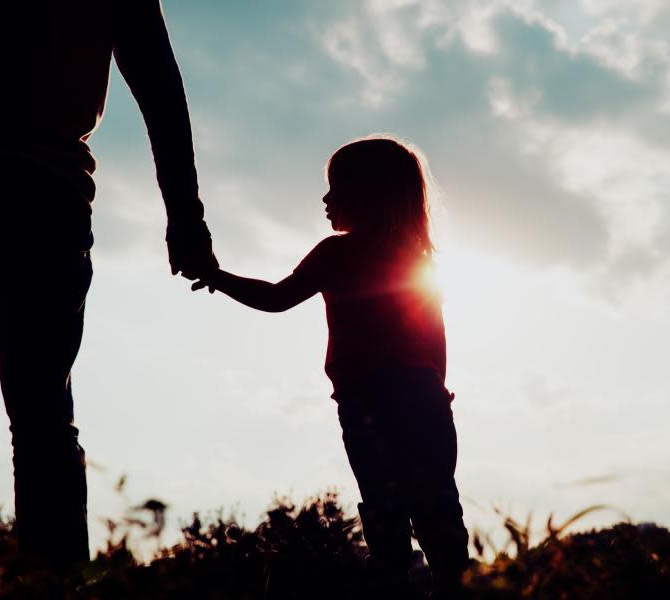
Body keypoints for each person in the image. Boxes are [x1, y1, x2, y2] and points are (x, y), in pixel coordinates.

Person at [0, 1, 216, 567]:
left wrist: (187, 215)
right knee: (42, 411)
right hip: (44, 185)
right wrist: (185, 216)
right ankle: (53, 582)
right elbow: (160, 86)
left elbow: (160, 84)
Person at [192, 137, 470, 595]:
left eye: (335, 188)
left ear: (368, 193)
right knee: (440, 517)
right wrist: (436, 395)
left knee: (386, 522)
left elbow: (277, 297)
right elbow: (436, 344)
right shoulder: (417, 263)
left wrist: (218, 277)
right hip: (426, 405)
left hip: (370, 406)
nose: (326, 199)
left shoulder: (338, 253)